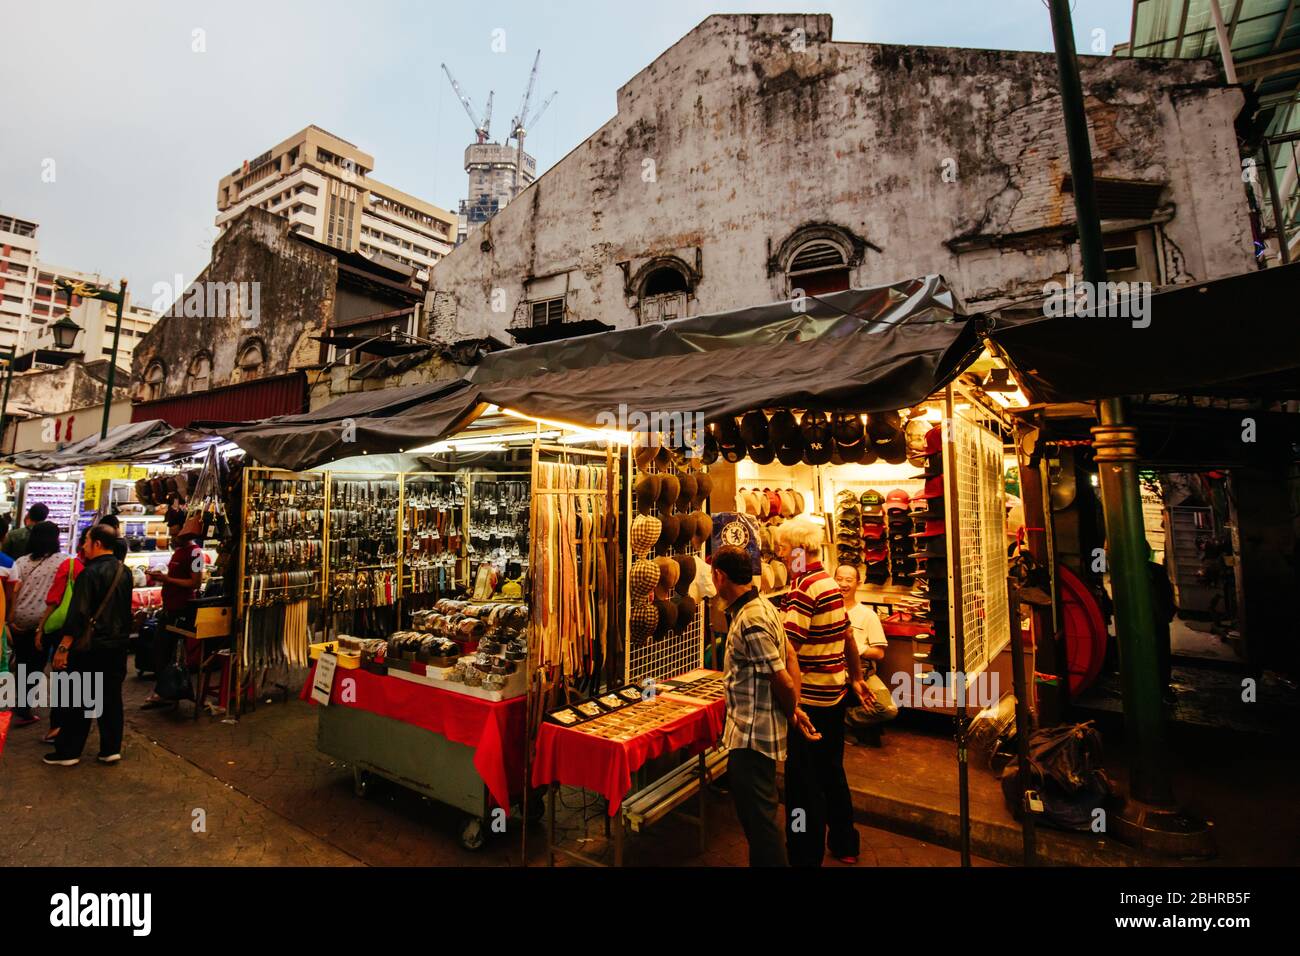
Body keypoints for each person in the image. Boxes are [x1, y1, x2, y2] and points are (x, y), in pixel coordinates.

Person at [711, 545, 817, 867]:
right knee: (761, 820)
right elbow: (791, 657)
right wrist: (794, 708)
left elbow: (782, 678)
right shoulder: (762, 606)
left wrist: (791, 709)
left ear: (720, 577)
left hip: (751, 738)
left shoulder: (750, 619)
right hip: (757, 733)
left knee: (760, 825)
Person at [775, 518, 868, 866]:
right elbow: (848, 637)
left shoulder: (803, 589)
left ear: (798, 551)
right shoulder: (829, 583)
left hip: (810, 701)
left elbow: (790, 651)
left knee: (801, 787)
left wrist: (792, 703)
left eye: (784, 549)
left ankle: (802, 852)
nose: (781, 556)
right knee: (832, 771)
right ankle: (845, 842)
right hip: (834, 696)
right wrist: (855, 677)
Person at [45, 525, 133, 766]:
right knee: (111, 698)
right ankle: (110, 749)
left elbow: (79, 614)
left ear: (96, 544)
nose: (83, 546)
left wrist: (64, 647)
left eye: (85, 541)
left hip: (91, 647)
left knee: (80, 699)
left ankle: (69, 752)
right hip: (117, 645)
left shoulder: (89, 573)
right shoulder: (123, 571)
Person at [6, 521, 72, 728]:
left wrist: (11, 618)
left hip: (20, 618)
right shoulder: (64, 561)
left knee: (24, 661)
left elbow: (14, 592)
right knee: (39, 663)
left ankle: (22, 702)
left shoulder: (21, 562)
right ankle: (30, 706)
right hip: (45, 621)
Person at [141, 516, 203, 708]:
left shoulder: (196, 554)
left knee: (164, 651)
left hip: (181, 610)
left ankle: (165, 692)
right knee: (161, 651)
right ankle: (165, 691)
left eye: (176, 533)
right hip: (170, 608)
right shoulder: (179, 552)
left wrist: (167, 579)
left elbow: (195, 582)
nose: (173, 536)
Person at [835, 563, 899, 746]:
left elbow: (879, 653)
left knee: (887, 709)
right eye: (839, 579)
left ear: (858, 583)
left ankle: (844, 721)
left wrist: (855, 646)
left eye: (848, 580)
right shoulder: (827, 611)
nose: (843, 584)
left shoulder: (867, 615)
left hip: (863, 674)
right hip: (833, 673)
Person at [35, 528, 88, 745]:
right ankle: (76, 730)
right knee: (80, 682)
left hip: (65, 630)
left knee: (62, 678)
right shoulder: (108, 570)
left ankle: (58, 726)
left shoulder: (72, 565)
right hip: (90, 634)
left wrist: (40, 627)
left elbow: (55, 598)